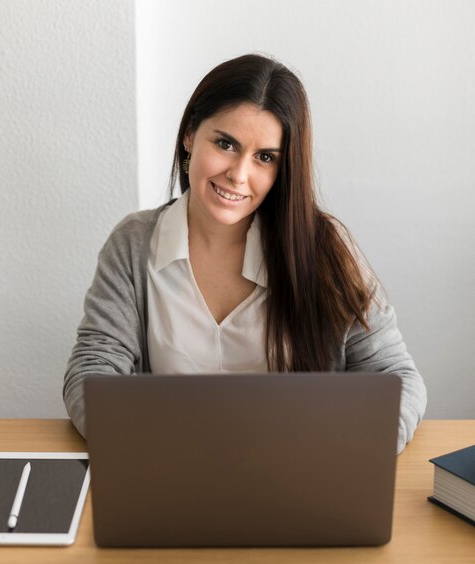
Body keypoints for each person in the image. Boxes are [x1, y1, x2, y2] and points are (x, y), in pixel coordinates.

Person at [63, 53, 426, 453]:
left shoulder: (325, 248)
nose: (238, 174)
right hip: (173, 474)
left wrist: (352, 454)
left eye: (265, 157)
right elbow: (91, 373)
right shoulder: (133, 244)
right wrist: (147, 446)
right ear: (189, 136)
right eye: (225, 144)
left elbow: (396, 377)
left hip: (301, 481)